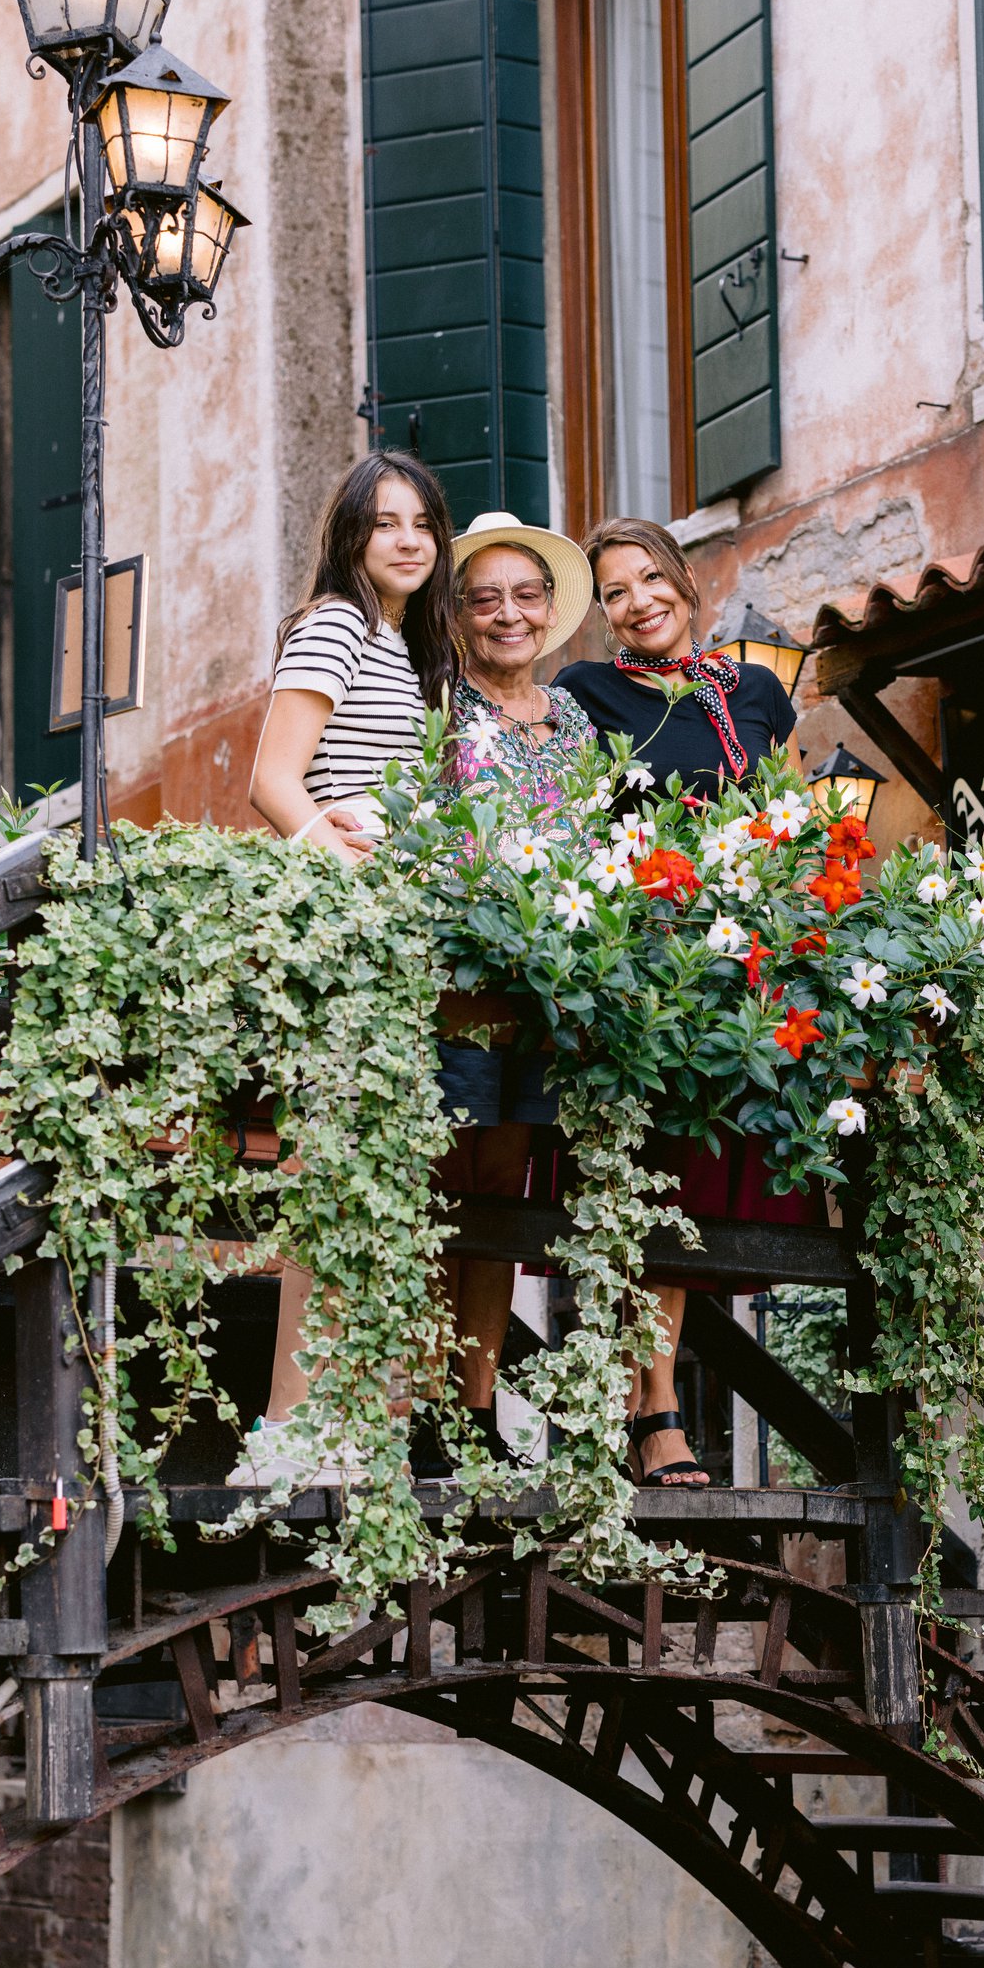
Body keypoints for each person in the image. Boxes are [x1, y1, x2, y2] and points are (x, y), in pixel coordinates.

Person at [556, 518, 807, 1490]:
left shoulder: (754, 690)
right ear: (603, 613)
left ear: (684, 582)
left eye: (650, 578)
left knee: (714, 1187)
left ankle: (656, 1406)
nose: (638, 601)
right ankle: (653, 1412)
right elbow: (577, 824)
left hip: (743, 978)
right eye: (615, 592)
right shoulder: (587, 694)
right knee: (655, 1188)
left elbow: (784, 818)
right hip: (649, 977)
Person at [232, 451, 458, 1490]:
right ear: (351, 538)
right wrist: (345, 861)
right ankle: (293, 1427)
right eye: (385, 523)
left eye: (422, 523)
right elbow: (272, 782)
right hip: (347, 916)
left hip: (391, 914)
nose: (407, 539)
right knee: (333, 1170)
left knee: (371, 1166)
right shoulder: (335, 624)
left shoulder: (403, 646)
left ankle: (346, 1420)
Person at [429, 511, 596, 1465]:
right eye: (485, 598)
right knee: (446, 1181)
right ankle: (424, 1404)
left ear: (548, 609)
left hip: (545, 986)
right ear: (457, 614)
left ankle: (476, 1406)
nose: (507, 615)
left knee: (505, 1182)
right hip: (460, 980)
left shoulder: (571, 714)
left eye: (525, 596)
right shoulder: (439, 704)